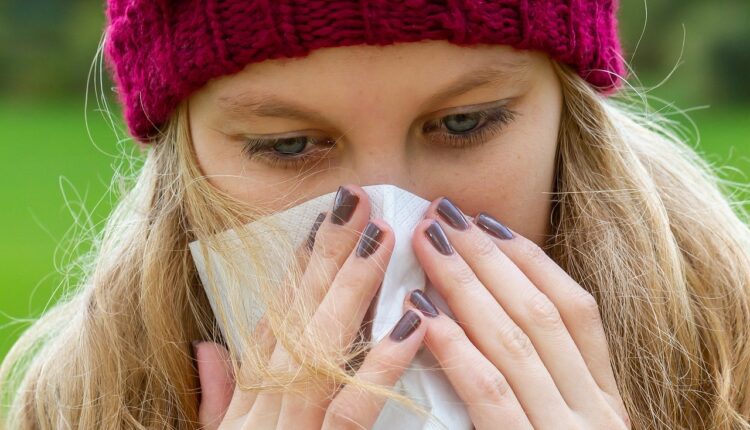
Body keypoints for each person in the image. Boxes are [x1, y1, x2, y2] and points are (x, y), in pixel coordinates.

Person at [2, 1, 749, 429]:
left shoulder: (731, 357)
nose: (388, 229)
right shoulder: (76, 407)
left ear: (568, 117)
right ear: (184, 163)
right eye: (288, 144)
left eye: (465, 125)